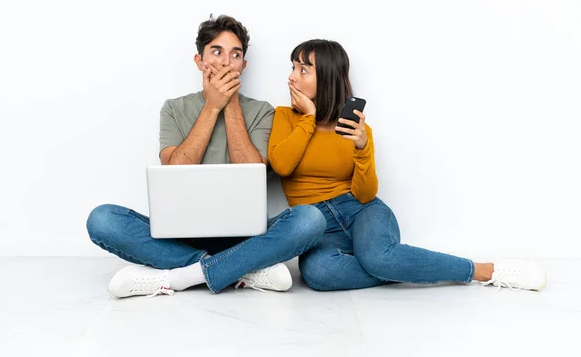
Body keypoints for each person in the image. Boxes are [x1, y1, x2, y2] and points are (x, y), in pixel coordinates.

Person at [268, 39, 547, 292]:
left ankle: (485, 271)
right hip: (315, 224)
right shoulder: (285, 117)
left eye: (303, 70)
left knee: (377, 256)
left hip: (361, 212)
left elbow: (365, 195)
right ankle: (400, 265)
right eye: (293, 67)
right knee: (320, 274)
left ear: (327, 78)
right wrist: (308, 118)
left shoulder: (357, 130)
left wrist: (363, 147)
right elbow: (282, 165)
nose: (292, 77)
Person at [86, 16, 326, 298]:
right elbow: (174, 170)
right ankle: (241, 269)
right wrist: (212, 107)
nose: (226, 62)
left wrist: (230, 103)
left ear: (243, 66)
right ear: (199, 61)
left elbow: (253, 171)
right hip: (181, 236)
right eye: (216, 52)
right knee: (102, 220)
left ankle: (181, 277)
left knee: (311, 218)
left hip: (247, 236)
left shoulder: (262, 111)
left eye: (235, 54)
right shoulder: (174, 109)